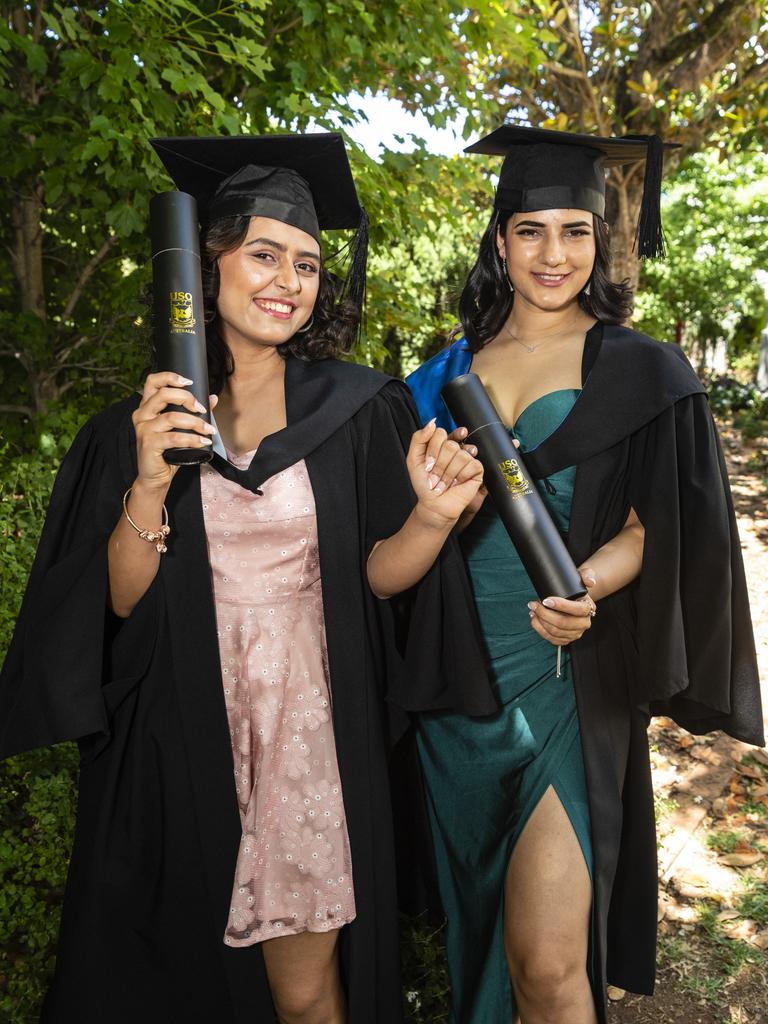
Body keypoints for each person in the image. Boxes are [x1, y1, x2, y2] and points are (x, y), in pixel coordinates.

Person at [0, 132, 493, 1024]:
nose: (288, 280)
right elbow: (116, 605)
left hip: (305, 737)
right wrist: (149, 480)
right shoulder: (138, 424)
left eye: (306, 264)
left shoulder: (355, 407)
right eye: (264, 253)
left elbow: (379, 582)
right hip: (177, 734)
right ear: (206, 264)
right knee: (175, 986)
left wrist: (429, 515)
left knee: (305, 996)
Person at [406, 124, 764, 1024]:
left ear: (601, 239)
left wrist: (589, 585)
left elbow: (660, 525)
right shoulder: (438, 376)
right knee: (479, 934)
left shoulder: (641, 371)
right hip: (456, 683)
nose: (552, 253)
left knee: (552, 966)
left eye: (575, 230)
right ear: (501, 240)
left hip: (565, 675)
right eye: (531, 230)